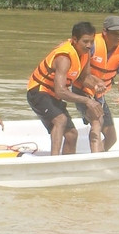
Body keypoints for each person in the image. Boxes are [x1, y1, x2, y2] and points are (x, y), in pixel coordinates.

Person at [27, 22, 105, 155]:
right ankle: (55, 160)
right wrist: (87, 101)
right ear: (74, 40)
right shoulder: (64, 57)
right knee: (60, 119)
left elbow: (83, 78)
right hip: (38, 92)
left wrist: (96, 85)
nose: (89, 45)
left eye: (91, 42)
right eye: (85, 41)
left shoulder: (85, 54)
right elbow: (61, 90)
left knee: (72, 135)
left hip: (53, 95)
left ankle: (66, 165)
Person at [72, 15, 119, 151]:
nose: (118, 37)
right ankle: (96, 160)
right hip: (82, 89)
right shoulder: (91, 45)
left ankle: (98, 157)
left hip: (100, 94)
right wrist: (94, 84)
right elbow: (82, 74)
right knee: (97, 121)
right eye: (115, 33)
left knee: (112, 137)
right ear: (105, 32)